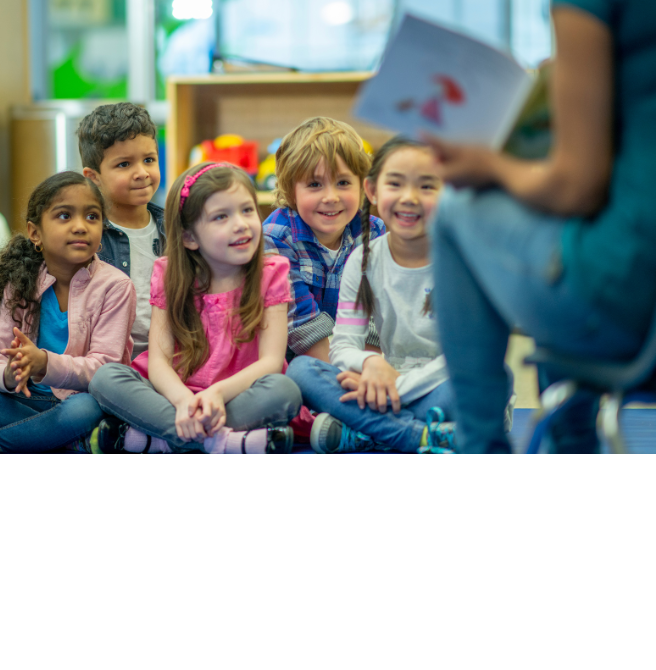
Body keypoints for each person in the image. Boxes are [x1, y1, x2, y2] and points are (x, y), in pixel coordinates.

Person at [429, 0, 656, 453]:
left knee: (454, 211)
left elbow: (576, 187)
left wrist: (491, 164)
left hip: (630, 298)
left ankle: (482, 450)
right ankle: (571, 441)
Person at [89, 162, 301, 453]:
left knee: (284, 391)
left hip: (236, 394)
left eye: (247, 210)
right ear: (189, 237)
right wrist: (183, 402)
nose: (240, 223)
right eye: (220, 217)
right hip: (175, 395)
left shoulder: (271, 272)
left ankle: (162, 440)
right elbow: (159, 360)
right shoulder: (169, 274)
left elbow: (271, 363)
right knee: (105, 379)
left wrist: (216, 393)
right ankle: (220, 442)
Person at [288, 137, 458, 453]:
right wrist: (369, 364)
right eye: (395, 183)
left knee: (487, 381)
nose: (409, 198)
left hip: (436, 387)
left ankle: (369, 430)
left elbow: (466, 357)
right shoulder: (363, 260)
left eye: (426, 186)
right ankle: (418, 435)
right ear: (372, 191)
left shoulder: (462, 262)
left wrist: (397, 387)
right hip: (379, 385)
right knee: (301, 371)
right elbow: (343, 346)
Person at [0, 172, 136, 454]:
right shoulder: (21, 281)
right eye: (64, 216)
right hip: (25, 398)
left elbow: (104, 368)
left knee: (85, 411)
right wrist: (10, 375)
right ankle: (71, 443)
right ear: (35, 232)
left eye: (92, 217)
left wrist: (44, 364)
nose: (80, 226)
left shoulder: (116, 286)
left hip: (79, 400)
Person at [262, 116, 385, 362]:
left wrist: (369, 369)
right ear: (290, 190)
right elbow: (301, 324)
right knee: (303, 372)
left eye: (343, 182)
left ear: (363, 187)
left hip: (361, 357)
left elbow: (376, 312)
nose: (331, 196)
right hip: (299, 358)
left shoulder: (372, 231)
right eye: (315, 184)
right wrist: (351, 372)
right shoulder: (276, 236)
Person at [78, 102, 165, 360]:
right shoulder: (84, 236)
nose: (142, 173)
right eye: (124, 164)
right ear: (93, 177)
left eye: (149, 160)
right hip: (110, 362)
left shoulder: (176, 227)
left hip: (170, 359)